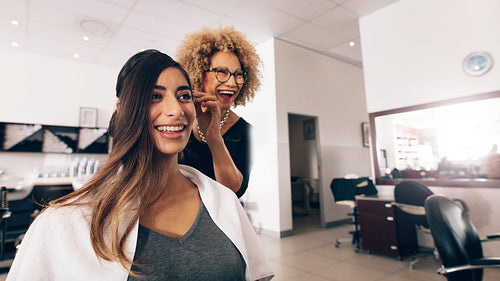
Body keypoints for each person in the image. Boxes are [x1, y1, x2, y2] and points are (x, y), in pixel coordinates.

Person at [6, 50, 273, 281]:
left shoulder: (224, 202)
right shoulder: (65, 221)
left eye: (183, 96)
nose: (176, 110)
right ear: (122, 109)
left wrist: (214, 137)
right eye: (155, 96)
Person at [176, 26, 262, 198]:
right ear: (199, 73)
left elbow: (234, 191)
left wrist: (214, 137)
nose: (232, 83)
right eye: (222, 72)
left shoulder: (245, 132)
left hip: (222, 220)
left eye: (238, 75)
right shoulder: (178, 119)